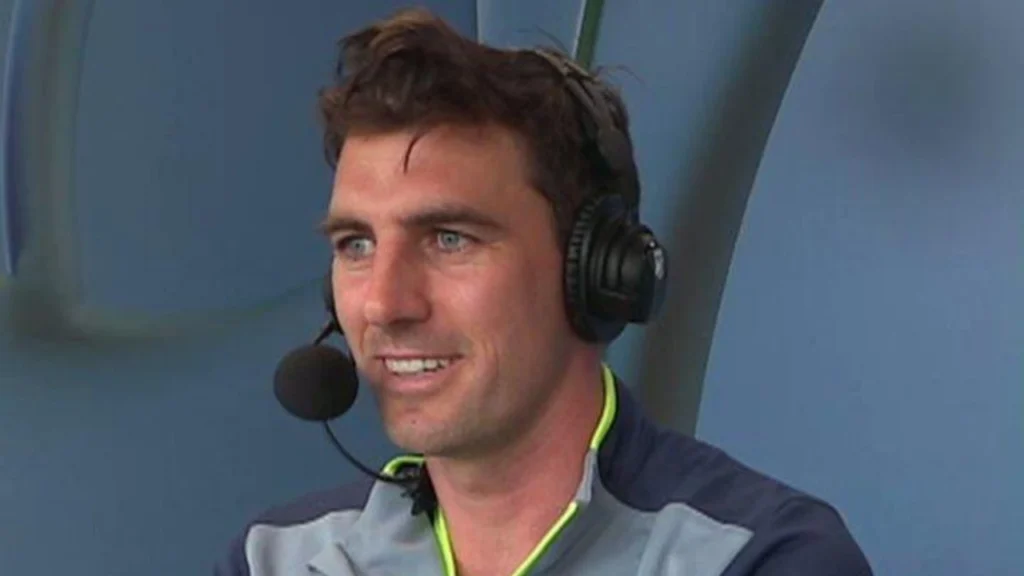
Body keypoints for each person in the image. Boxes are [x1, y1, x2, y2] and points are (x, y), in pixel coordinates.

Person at [216, 7, 872, 576]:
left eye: (449, 239)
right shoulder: (274, 558)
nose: (384, 304)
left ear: (597, 273)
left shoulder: (759, 558)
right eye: (356, 245)